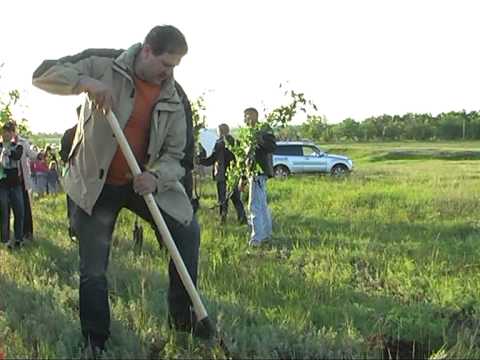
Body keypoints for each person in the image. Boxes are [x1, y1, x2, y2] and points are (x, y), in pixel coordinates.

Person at [32, 25, 207, 354]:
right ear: (147, 51)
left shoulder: (175, 96)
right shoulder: (102, 64)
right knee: (94, 267)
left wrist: (156, 177)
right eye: (165, 64)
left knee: (186, 233)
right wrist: (85, 82)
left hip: (145, 185)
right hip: (97, 185)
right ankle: (95, 341)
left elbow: (179, 156)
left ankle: (183, 323)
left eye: (175, 67)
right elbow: (42, 74)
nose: (169, 73)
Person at [199, 124, 247, 224]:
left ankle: (223, 220)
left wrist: (200, 160)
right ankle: (242, 219)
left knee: (222, 199)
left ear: (220, 131)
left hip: (222, 176)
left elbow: (212, 159)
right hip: (234, 175)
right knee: (236, 199)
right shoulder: (235, 142)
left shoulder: (219, 143)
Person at [243, 107, 277, 246]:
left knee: (254, 206)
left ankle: (257, 238)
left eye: (247, 116)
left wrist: (259, 138)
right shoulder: (249, 133)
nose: (245, 119)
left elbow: (272, 147)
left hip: (259, 172)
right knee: (261, 205)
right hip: (253, 172)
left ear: (254, 116)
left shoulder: (263, 130)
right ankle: (266, 234)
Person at [0, 121, 25, 248]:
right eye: (5, 131)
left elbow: (17, 156)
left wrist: (8, 152)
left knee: (19, 212)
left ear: (13, 133)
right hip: (2, 185)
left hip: (15, 184)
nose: (7, 134)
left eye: (10, 131)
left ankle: (18, 239)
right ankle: (5, 240)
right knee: (4, 213)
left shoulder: (17, 146)